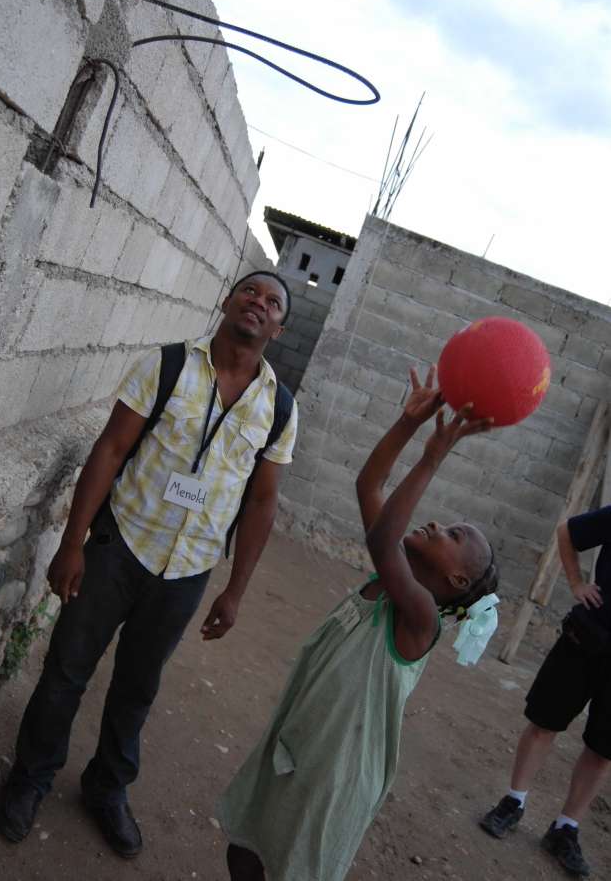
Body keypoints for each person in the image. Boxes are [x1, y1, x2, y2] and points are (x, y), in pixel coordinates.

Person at [0, 271, 299, 858]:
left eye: (273, 303)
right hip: (120, 545)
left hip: (187, 570)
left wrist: (234, 590)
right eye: (250, 292)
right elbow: (110, 448)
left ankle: (106, 788)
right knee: (66, 670)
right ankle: (30, 777)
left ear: (280, 327)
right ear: (228, 301)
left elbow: (262, 501)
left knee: (137, 688)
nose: (259, 303)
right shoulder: (166, 366)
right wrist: (73, 543)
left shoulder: (279, 410)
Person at [218, 367, 499, 881]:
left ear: (458, 579)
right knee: (246, 849)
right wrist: (408, 424)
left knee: (290, 868)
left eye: (453, 534)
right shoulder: (387, 579)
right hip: (298, 742)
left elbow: (381, 538)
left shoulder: (420, 621)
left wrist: (432, 458)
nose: (437, 523)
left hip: (334, 775)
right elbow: (369, 484)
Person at [480, 504, 611, 878]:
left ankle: (565, 828)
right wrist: (576, 584)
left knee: (603, 751)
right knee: (543, 723)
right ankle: (513, 801)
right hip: (587, 637)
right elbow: (567, 531)